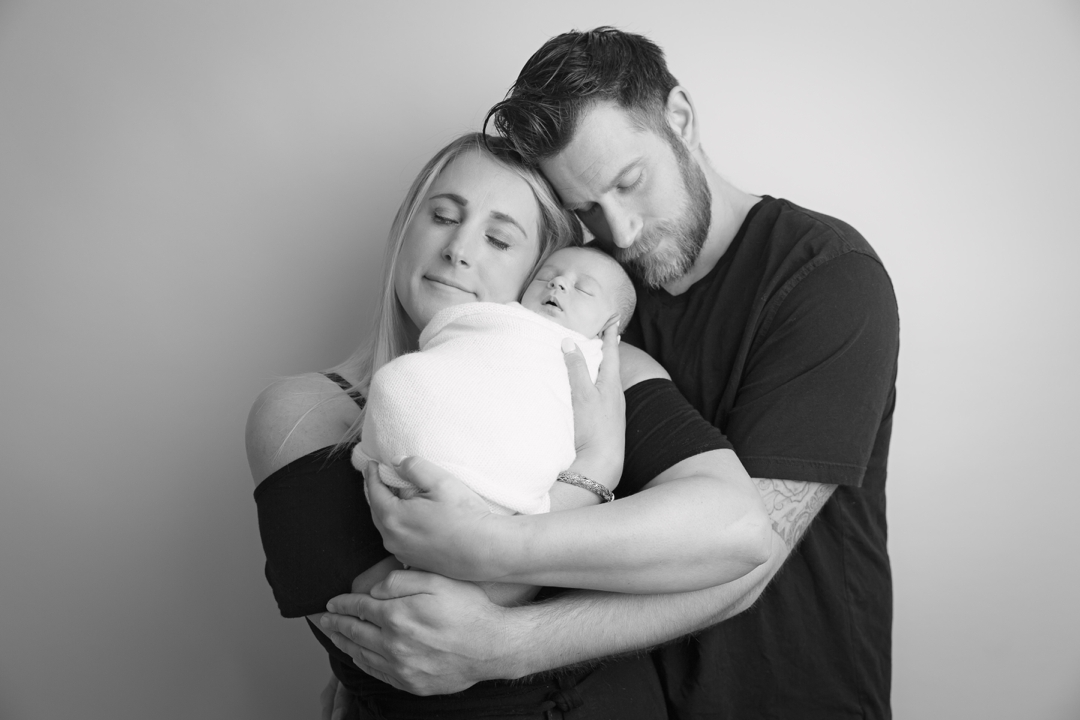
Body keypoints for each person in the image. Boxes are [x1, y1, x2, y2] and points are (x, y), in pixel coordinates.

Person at [321, 27, 900, 719]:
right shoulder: (581, 283)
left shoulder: (825, 278)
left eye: (629, 183)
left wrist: (499, 637)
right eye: (588, 208)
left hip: (787, 692)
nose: (620, 232)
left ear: (679, 118)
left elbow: (749, 562)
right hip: (623, 693)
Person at [248, 131, 772, 719]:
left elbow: (737, 529)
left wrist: (501, 580)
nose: (459, 249)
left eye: (499, 239)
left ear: (538, 275)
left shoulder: (596, 370)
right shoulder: (305, 413)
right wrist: (591, 473)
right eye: (443, 216)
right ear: (404, 229)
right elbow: (409, 627)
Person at [355, 246, 637, 517]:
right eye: (545, 276)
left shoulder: (594, 362)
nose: (558, 283)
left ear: (607, 329)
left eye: (583, 289)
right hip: (420, 429)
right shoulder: (500, 317)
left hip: (501, 475)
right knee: (399, 379)